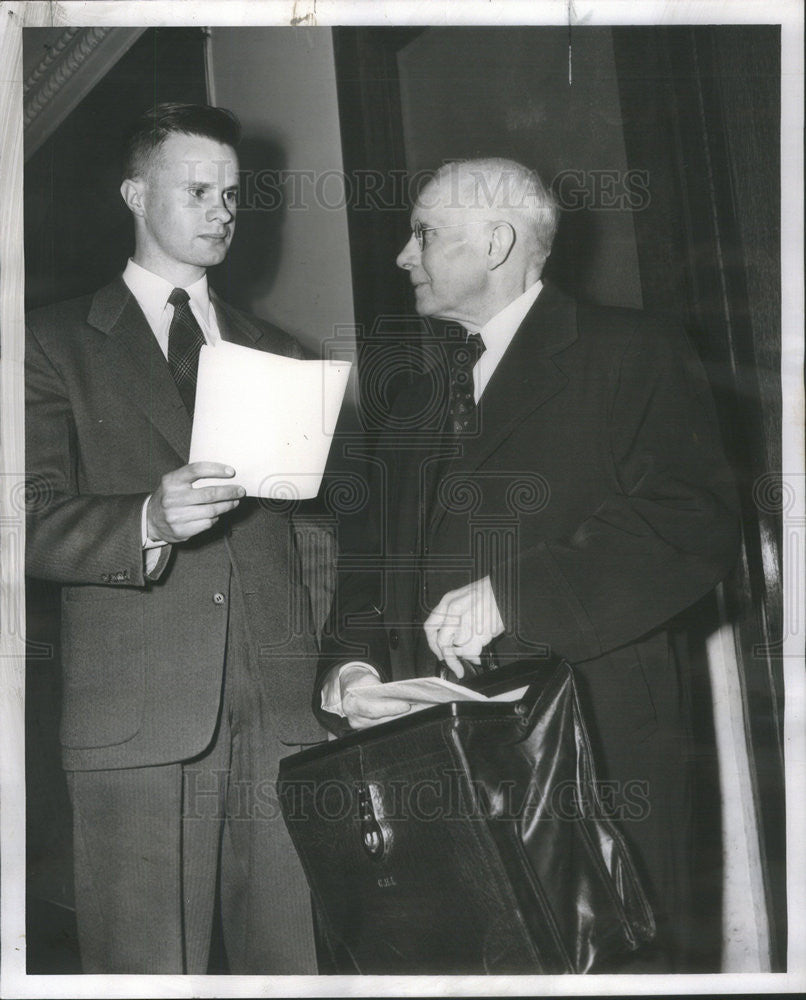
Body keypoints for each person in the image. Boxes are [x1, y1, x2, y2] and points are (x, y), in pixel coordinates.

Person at [314, 157, 740, 971]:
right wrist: (354, 664)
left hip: (596, 751)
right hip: (437, 757)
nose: (404, 255)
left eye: (425, 234)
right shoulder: (412, 393)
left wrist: (516, 596)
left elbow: (693, 522)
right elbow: (373, 559)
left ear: (498, 241)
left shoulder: (633, 349)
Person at [25, 103, 324, 974]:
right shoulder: (49, 343)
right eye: (198, 190)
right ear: (133, 193)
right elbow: (23, 522)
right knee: (145, 971)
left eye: (232, 194)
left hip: (280, 720)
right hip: (138, 723)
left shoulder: (281, 352)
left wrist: (338, 669)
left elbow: (313, 538)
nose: (222, 210)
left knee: (291, 967)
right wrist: (145, 520)